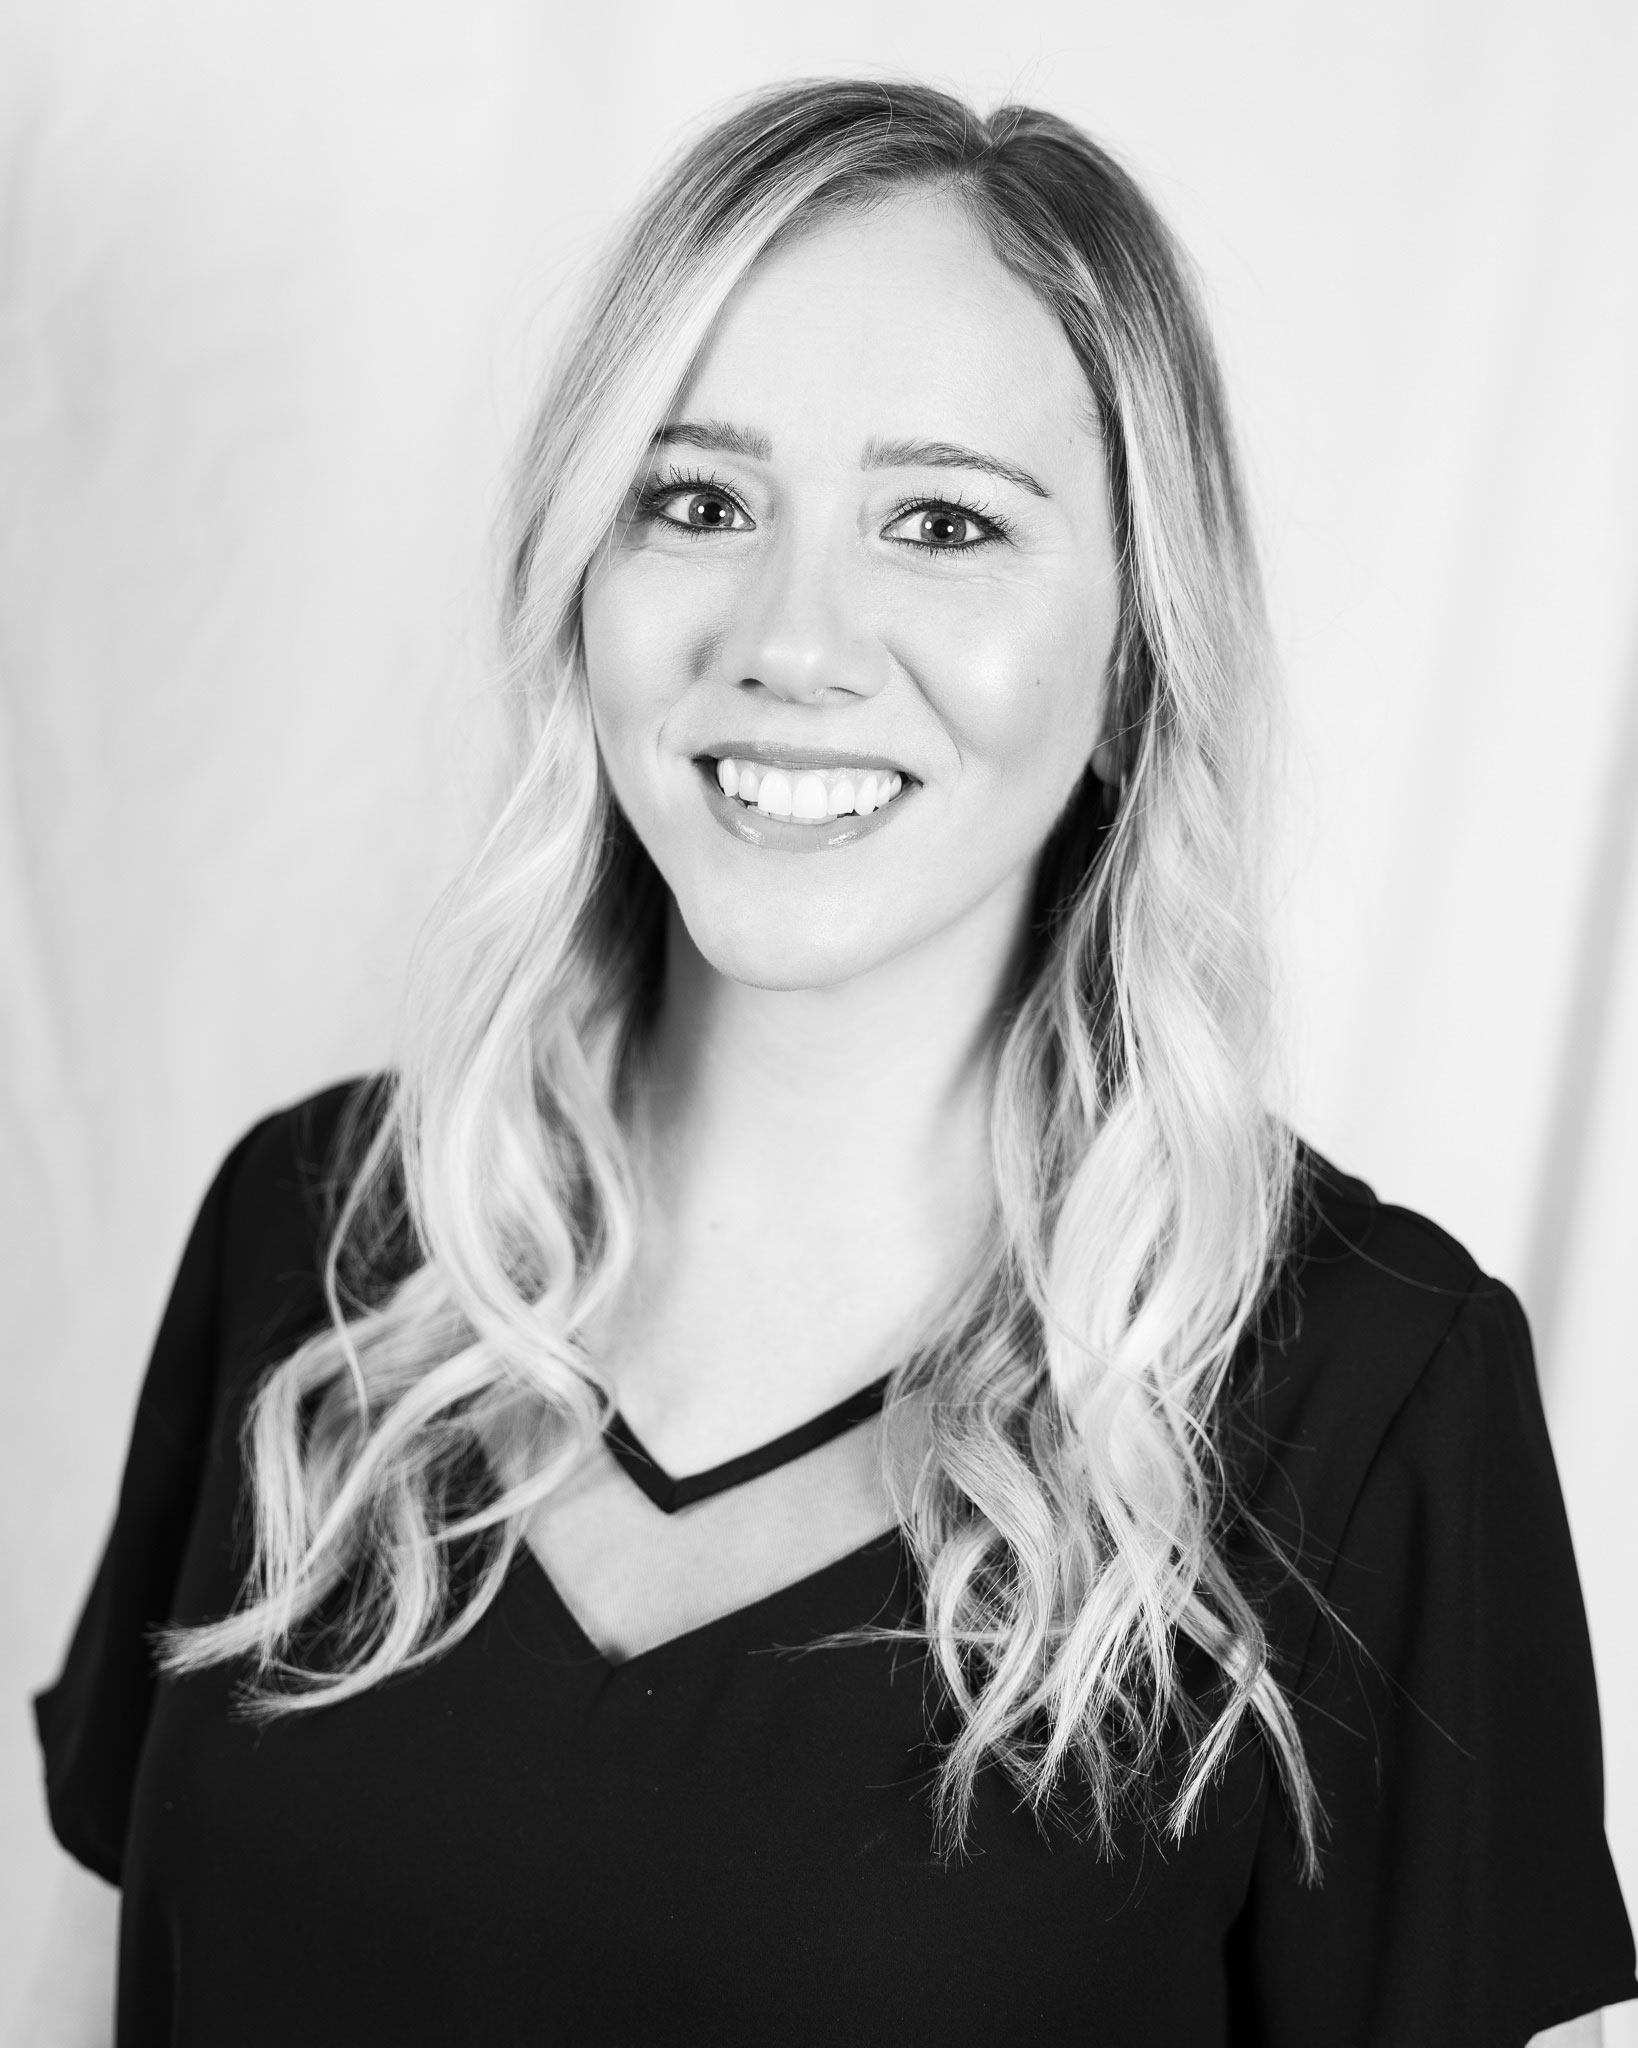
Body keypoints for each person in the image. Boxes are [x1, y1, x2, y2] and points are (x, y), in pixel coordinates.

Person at [29, 78, 1635, 2047]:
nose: (794, 637)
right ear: (583, 581)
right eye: (696, 501)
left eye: (943, 522)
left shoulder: (1373, 1398)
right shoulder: (317, 1242)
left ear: (1136, 648)